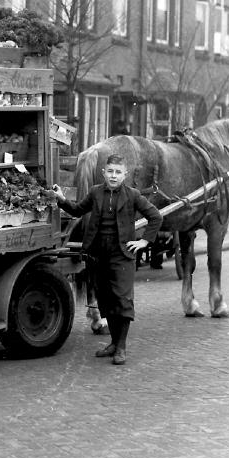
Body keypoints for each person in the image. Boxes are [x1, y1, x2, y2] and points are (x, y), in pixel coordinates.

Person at [50, 154, 162, 365]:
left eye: (118, 172)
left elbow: (156, 216)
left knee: (122, 300)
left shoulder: (133, 195)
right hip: (98, 254)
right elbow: (77, 210)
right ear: (104, 172)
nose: (113, 176)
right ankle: (112, 343)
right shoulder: (95, 193)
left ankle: (121, 347)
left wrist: (145, 242)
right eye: (110, 171)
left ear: (125, 175)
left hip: (122, 256)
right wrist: (62, 199)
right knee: (106, 300)